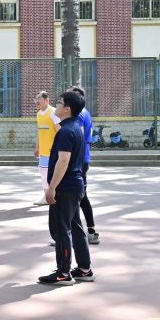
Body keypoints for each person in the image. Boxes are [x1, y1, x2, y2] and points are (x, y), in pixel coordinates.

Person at [38, 90, 94, 286]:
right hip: (75, 185)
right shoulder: (75, 127)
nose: (57, 105)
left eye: (60, 102)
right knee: (76, 228)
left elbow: (63, 161)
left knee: (62, 230)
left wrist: (51, 188)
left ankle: (63, 273)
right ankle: (84, 269)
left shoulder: (65, 131)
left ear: (67, 109)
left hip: (66, 187)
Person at [69, 85, 99, 245]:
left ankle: (70, 234)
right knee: (82, 196)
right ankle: (91, 231)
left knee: (73, 197)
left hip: (78, 160)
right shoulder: (85, 112)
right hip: (83, 159)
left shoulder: (79, 114)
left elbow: (77, 138)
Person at [33, 90, 61, 206]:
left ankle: (56, 196)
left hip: (54, 152)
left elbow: (60, 131)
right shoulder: (39, 114)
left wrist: (59, 148)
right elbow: (39, 132)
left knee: (55, 175)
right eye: (36, 99)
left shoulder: (53, 112)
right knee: (43, 175)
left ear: (46, 100)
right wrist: (37, 147)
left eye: (39, 98)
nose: (36, 101)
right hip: (43, 152)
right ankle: (46, 196)